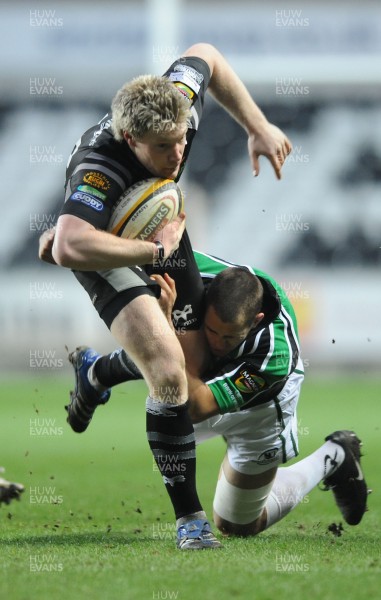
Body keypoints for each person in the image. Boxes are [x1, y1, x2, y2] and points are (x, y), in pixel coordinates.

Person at [40, 42, 292, 550]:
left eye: (182, 140)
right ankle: (191, 522)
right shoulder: (100, 167)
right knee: (170, 370)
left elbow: (208, 54)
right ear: (130, 138)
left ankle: (97, 372)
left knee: (193, 355)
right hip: (102, 245)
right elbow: (68, 245)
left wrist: (257, 126)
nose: (178, 155)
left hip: (159, 227)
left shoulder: (176, 104)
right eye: (164, 147)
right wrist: (151, 254)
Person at [58, 250, 370, 536]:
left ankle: (333, 456)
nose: (219, 342)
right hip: (202, 377)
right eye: (212, 330)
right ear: (205, 301)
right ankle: (96, 372)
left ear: (256, 321)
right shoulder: (192, 275)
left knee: (237, 525)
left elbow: (194, 406)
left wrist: (168, 324)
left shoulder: (275, 354)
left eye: (230, 336)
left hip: (259, 411)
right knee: (168, 365)